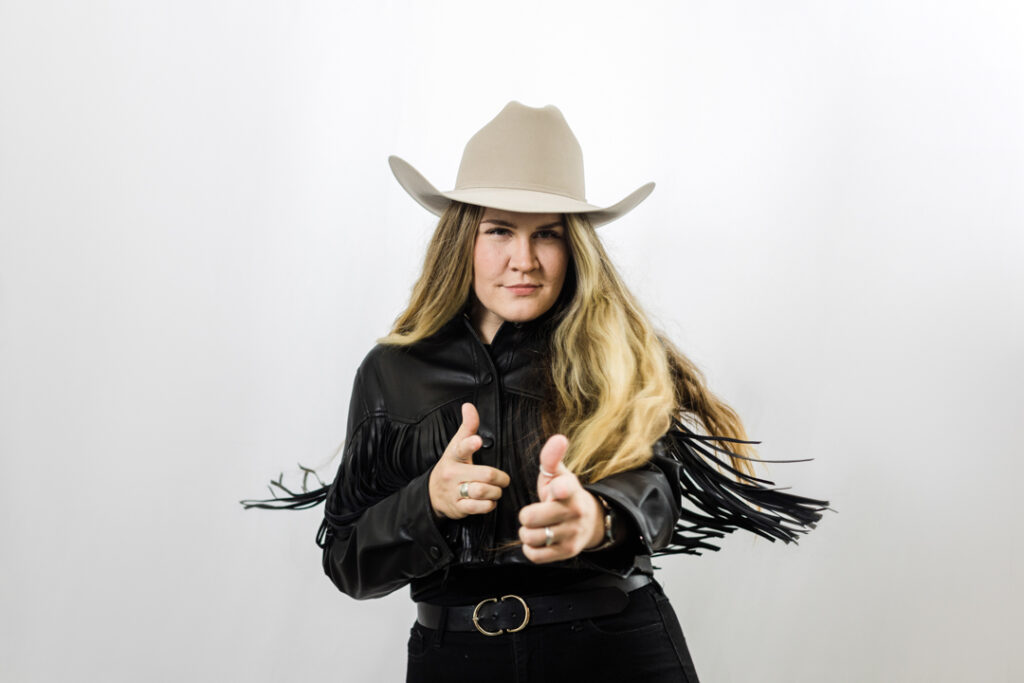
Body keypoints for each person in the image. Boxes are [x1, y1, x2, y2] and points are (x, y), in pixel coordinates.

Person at [242, 101, 828, 682]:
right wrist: (428, 502)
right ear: (461, 240)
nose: (523, 261)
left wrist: (596, 518)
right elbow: (348, 562)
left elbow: (657, 488)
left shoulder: (611, 354)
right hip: (456, 662)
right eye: (500, 231)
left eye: (546, 235)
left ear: (573, 248)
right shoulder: (391, 371)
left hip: (614, 652)